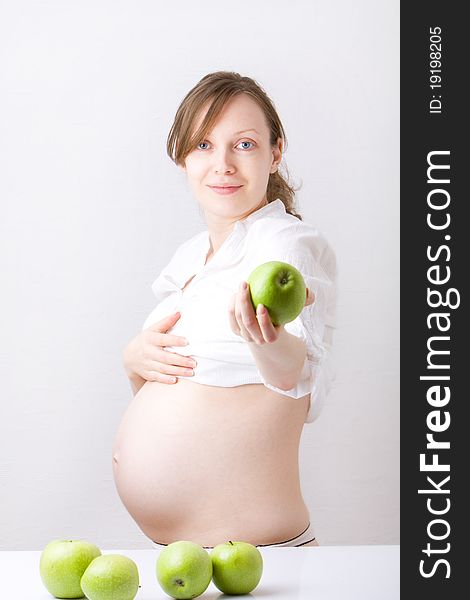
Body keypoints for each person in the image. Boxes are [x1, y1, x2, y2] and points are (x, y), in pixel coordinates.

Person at [112, 71, 337, 549]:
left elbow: (300, 375)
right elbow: (176, 384)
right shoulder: (191, 259)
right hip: (184, 561)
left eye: (245, 145)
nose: (223, 164)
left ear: (276, 153)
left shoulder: (284, 246)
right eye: (204, 146)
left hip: (257, 558)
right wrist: (135, 362)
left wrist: (270, 341)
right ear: (182, 159)